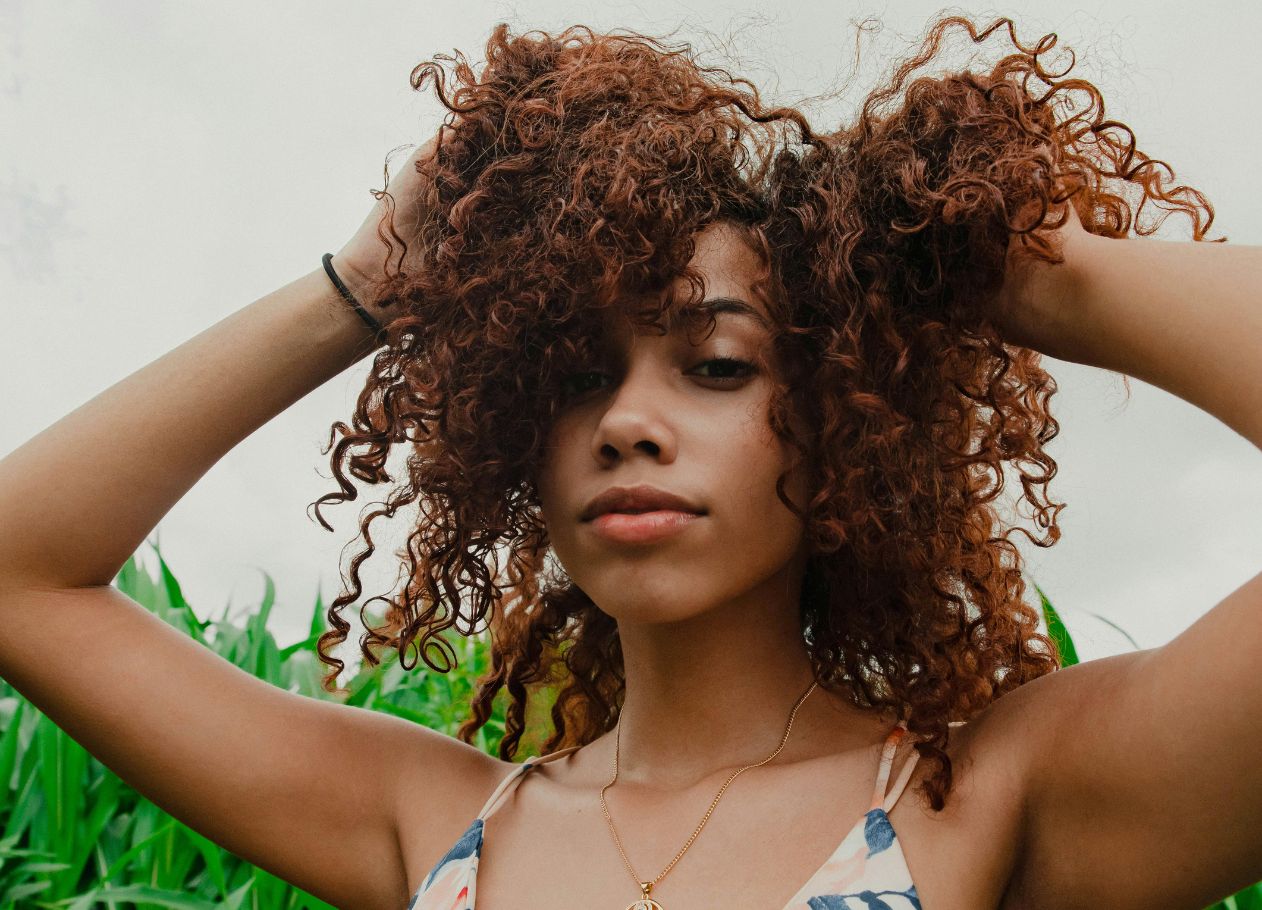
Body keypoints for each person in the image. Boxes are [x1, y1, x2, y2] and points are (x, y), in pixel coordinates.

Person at [1, 12, 1259, 910]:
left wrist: (1039, 269)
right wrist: (367, 289)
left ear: (843, 430)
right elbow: (21, 575)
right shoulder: (431, 823)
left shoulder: (990, 797)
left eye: (715, 366)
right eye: (567, 378)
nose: (624, 422)